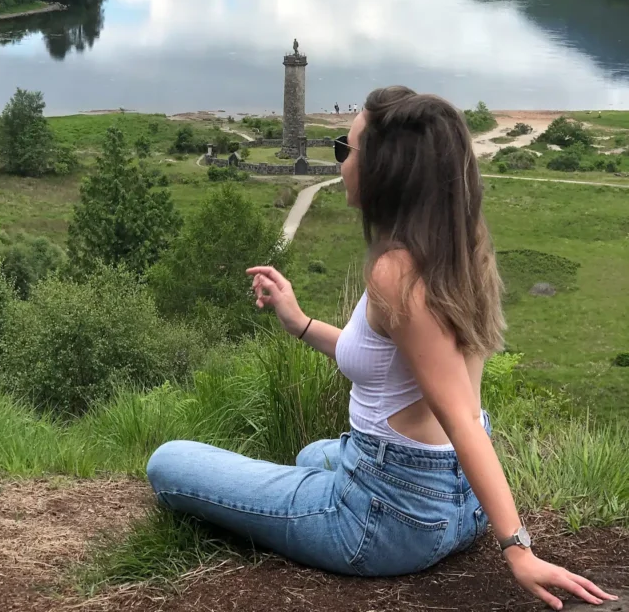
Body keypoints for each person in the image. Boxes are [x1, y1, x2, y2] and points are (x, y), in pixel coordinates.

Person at [146, 86, 616, 609]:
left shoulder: (397, 274)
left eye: (347, 150)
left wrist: (518, 548)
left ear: (385, 169)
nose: (341, 161)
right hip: (453, 501)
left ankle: (347, 509)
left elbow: (459, 417)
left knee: (169, 463)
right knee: (310, 454)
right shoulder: (461, 247)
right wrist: (299, 321)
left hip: (388, 519)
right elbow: (393, 362)